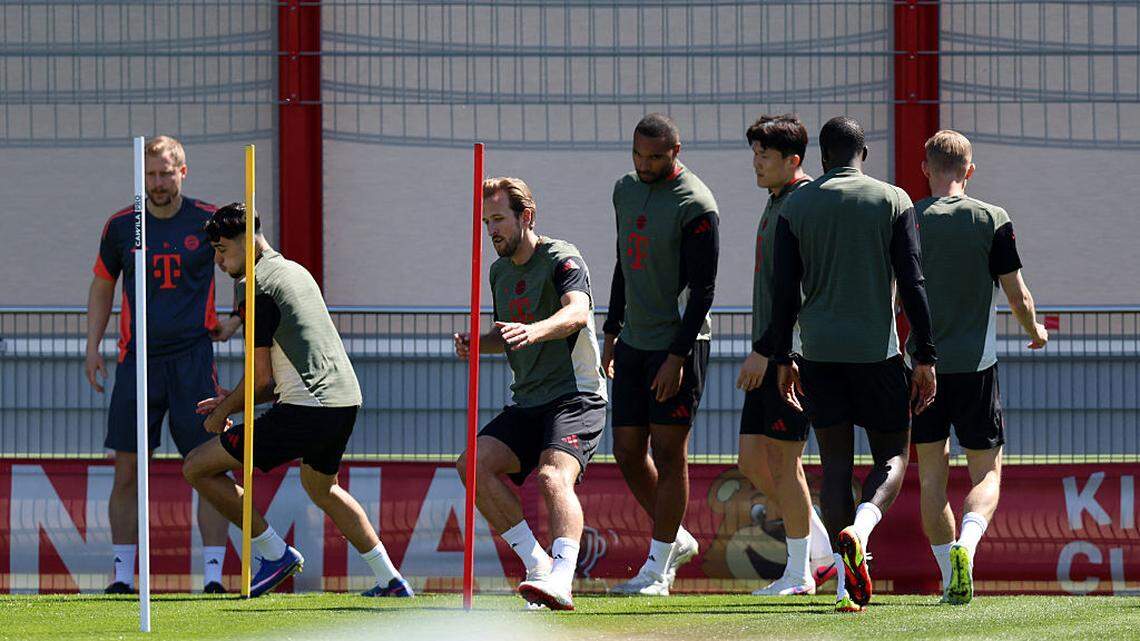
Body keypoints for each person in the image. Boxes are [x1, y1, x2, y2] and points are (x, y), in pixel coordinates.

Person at [182, 203, 413, 599]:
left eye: (222, 250)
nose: (218, 261)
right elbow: (277, 376)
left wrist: (221, 413)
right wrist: (231, 401)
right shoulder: (294, 270)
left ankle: (274, 553)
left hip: (309, 407)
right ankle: (390, 578)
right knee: (322, 487)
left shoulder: (255, 287)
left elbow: (260, 380)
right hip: (343, 401)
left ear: (247, 240)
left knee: (197, 467)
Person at [769, 116, 938, 612]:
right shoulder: (893, 200)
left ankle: (847, 586)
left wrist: (783, 357)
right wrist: (925, 354)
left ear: (821, 157)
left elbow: (783, 290)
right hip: (877, 353)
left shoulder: (796, 204)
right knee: (893, 457)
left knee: (835, 464)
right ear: (863, 152)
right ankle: (861, 530)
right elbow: (913, 281)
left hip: (818, 353)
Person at [84, 135, 238, 595]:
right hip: (137, 362)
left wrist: (239, 318)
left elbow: (247, 266)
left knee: (208, 467)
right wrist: (92, 346)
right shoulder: (121, 226)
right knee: (128, 470)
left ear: (182, 172)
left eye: (165, 173)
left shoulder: (208, 220)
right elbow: (101, 286)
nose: (157, 183)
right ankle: (121, 577)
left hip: (193, 361)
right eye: (150, 174)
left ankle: (212, 577)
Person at [453, 177, 607, 611]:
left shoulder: (562, 257)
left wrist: (534, 331)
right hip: (528, 399)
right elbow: (507, 334)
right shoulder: (499, 271)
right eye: (486, 222)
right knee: (471, 466)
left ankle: (562, 578)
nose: (492, 230)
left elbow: (578, 312)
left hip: (576, 394)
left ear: (527, 217)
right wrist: (478, 343)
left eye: (499, 219)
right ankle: (537, 565)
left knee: (551, 476)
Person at [911, 130, 1048, 605]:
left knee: (931, 477)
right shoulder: (992, 218)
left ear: (925, 168)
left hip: (921, 367)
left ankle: (949, 574)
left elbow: (890, 294)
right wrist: (1035, 332)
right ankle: (966, 548)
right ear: (970, 170)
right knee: (986, 475)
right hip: (976, 366)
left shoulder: (908, 219)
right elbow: (1018, 293)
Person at [603, 113, 719, 596]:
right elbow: (622, 261)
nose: (644, 164)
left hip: (679, 346)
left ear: (676, 151)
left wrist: (677, 354)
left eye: (655, 156)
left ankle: (657, 570)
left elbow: (704, 290)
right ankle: (677, 540)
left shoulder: (696, 202)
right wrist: (610, 329)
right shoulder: (625, 189)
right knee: (627, 452)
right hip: (633, 341)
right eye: (638, 154)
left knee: (669, 453)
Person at [739, 115, 835, 596]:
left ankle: (800, 575)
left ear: (793, 161)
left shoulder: (801, 204)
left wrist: (772, 353)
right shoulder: (777, 200)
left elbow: (795, 291)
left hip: (787, 359)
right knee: (752, 459)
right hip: (769, 352)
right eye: (754, 154)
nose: (756, 163)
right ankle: (825, 555)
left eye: (765, 156)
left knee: (784, 462)